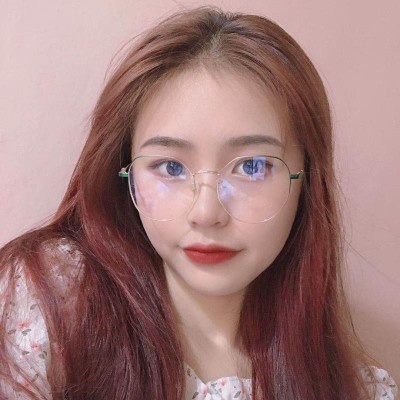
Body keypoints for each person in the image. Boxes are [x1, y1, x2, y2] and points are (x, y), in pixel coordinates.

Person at [0, 6, 397, 400]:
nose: (206, 214)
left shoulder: (359, 391)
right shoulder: (50, 302)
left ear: (306, 180)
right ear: (126, 174)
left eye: (253, 166)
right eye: (170, 167)